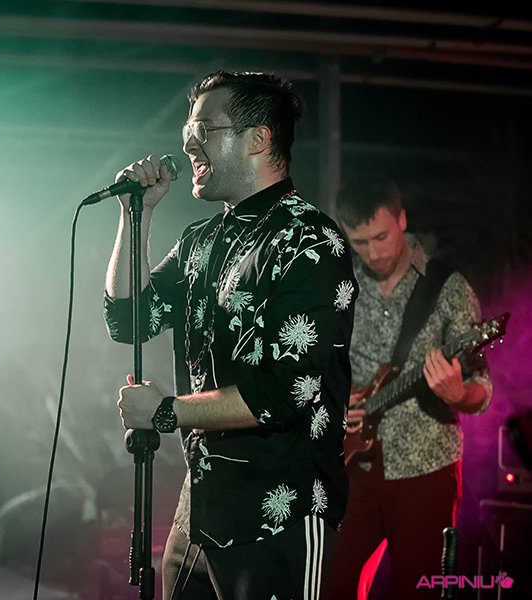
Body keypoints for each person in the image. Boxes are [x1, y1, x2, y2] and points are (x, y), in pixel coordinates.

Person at [103, 71, 357, 600]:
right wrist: (135, 218)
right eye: (186, 131)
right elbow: (130, 320)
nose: (187, 144)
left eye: (203, 129)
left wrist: (166, 411)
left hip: (279, 515)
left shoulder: (310, 241)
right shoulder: (201, 240)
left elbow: (285, 392)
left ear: (258, 139)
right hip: (200, 511)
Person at [325, 176, 493, 599]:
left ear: (401, 220)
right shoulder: (341, 286)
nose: (374, 253)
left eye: (382, 237)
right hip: (352, 465)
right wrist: (335, 400)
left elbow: (481, 388)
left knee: (417, 590)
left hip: (426, 468)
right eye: (360, 242)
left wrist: (458, 394)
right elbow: (320, 364)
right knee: (331, 584)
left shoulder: (448, 288)